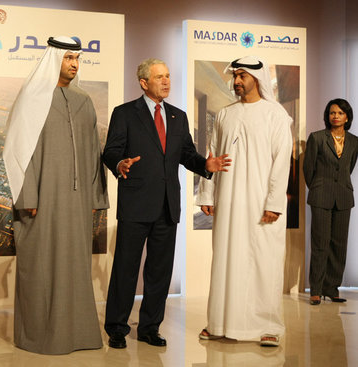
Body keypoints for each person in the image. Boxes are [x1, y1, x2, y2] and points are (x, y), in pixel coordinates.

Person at [103, 58, 231, 349]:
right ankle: (117, 328)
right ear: (143, 82)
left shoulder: (178, 116)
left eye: (168, 76)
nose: (166, 81)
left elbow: (187, 155)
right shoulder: (124, 113)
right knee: (126, 268)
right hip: (135, 204)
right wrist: (119, 163)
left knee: (159, 272)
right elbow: (111, 151)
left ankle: (150, 327)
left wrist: (206, 165)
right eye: (159, 77)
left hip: (167, 206)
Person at [3, 36, 109, 355]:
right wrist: (28, 197)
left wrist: (94, 198)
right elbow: (19, 151)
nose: (75, 64)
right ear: (54, 59)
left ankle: (78, 334)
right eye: (68, 58)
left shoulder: (83, 101)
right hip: (42, 200)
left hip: (76, 204)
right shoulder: (32, 97)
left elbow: (93, 152)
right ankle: (39, 335)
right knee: (41, 265)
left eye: (78, 58)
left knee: (75, 266)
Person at [196, 56, 293, 347]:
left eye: (242, 76)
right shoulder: (225, 114)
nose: (236, 81)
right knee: (228, 258)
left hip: (261, 202)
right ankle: (221, 322)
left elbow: (281, 163)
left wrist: (275, 202)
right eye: (235, 76)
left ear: (257, 78)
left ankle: (268, 325)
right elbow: (213, 156)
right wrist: (207, 193)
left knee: (264, 260)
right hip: (228, 200)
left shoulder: (275, 115)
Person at [303, 98, 357, 305]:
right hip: (320, 196)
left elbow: (348, 168)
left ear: (347, 117)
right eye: (332, 113)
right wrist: (317, 187)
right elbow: (308, 169)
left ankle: (332, 288)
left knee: (339, 245)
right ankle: (316, 289)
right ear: (327, 116)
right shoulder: (317, 138)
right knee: (320, 244)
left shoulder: (354, 141)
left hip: (343, 197)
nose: (335, 116)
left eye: (340, 113)